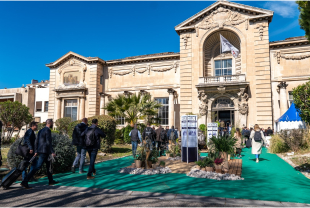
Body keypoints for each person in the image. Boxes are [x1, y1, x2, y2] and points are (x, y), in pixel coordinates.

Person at [21, 119, 58, 189]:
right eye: (52, 123)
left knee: (49, 166)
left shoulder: (40, 131)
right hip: (45, 152)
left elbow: (36, 142)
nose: (53, 124)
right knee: (37, 167)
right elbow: (48, 142)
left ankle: (51, 180)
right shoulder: (48, 130)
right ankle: (25, 181)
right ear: (50, 123)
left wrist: (36, 151)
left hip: (42, 151)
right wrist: (52, 151)